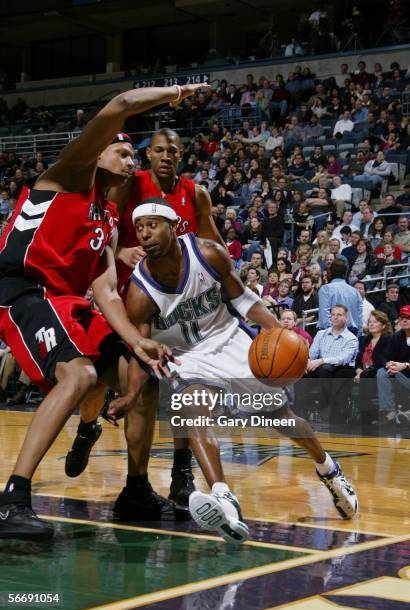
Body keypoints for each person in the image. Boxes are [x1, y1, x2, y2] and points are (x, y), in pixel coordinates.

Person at [0, 84, 210, 541]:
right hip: (23, 290)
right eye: (121, 149)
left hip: (68, 301)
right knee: (80, 375)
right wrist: (179, 91)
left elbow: (107, 292)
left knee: (145, 373)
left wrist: (139, 342)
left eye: (133, 155)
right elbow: (118, 106)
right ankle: (12, 498)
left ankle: (135, 489)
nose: (130, 158)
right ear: (96, 155)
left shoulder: (110, 218)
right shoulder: (70, 174)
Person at [118, 198, 358, 542]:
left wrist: (279, 331)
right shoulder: (140, 292)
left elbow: (245, 300)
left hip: (229, 339)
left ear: (173, 227)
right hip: (187, 356)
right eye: (139, 228)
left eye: (152, 225)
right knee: (191, 409)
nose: (144, 234)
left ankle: (329, 470)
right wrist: (130, 395)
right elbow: (141, 352)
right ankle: (222, 495)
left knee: (282, 418)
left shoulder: (208, 254)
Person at [65, 125, 224, 516]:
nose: (166, 155)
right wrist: (119, 254)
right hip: (124, 302)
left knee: (184, 387)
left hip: (174, 307)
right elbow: (104, 227)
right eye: (158, 149)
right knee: (99, 386)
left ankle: (180, 476)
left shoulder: (195, 194)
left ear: (181, 153)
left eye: (173, 149)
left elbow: (215, 244)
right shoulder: (127, 183)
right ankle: (87, 427)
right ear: (148, 154)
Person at [307, 305, 359, 423]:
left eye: (339, 315)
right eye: (333, 315)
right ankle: (300, 412)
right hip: (322, 369)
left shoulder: (351, 338)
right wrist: (309, 362)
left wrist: (322, 360)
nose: (335, 317)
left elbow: (343, 359)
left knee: (332, 371)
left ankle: (328, 409)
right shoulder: (321, 334)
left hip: (342, 369)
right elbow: (313, 354)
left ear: (346, 318)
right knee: (306, 373)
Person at [355, 311, 392, 428]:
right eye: (370, 322)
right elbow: (357, 360)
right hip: (364, 372)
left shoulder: (388, 340)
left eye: (375, 322)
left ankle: (366, 415)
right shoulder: (363, 340)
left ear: (383, 325)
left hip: (379, 372)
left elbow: (381, 362)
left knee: (366, 376)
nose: (371, 324)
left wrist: (363, 373)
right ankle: (345, 413)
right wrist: (358, 371)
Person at [376, 305, 410, 425]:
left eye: (408, 317)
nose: (405, 320)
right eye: (402, 318)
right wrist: (389, 364)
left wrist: (405, 365)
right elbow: (385, 357)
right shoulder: (396, 336)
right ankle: (389, 412)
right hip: (400, 376)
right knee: (381, 372)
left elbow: (404, 365)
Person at [318, 259, 363, 336]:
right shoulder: (355, 291)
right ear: (345, 273)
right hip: (352, 333)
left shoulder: (326, 289)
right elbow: (360, 318)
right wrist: (358, 334)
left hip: (333, 333)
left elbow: (324, 317)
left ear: (330, 272)